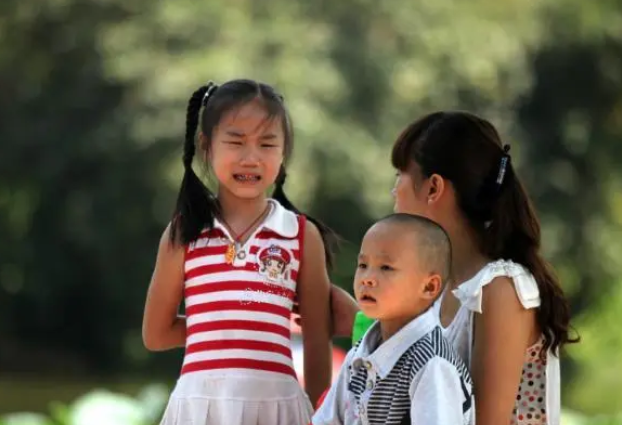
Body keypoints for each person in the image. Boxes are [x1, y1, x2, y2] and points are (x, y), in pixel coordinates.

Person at [306, 111, 577, 425]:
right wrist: (360, 316)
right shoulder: (436, 286)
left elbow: (483, 420)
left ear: (433, 188)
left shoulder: (500, 289)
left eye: (400, 176)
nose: (394, 191)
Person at [142, 79, 334, 425]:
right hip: (202, 409)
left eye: (267, 143)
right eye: (235, 141)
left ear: (284, 151)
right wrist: (218, 323)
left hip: (280, 408)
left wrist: (321, 415)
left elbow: (316, 338)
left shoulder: (302, 235)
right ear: (206, 145)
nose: (251, 158)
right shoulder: (184, 233)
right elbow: (155, 334)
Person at [312, 213, 474, 425]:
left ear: (429, 287)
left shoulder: (432, 363)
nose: (367, 278)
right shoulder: (359, 354)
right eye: (362, 265)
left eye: (386, 267)